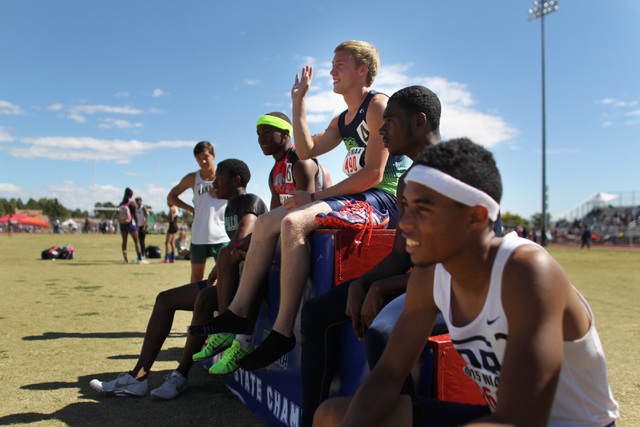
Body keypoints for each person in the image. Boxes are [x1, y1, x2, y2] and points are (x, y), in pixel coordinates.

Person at [314, 138, 619, 427]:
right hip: (502, 415)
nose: (405, 222)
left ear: (476, 216)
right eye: (405, 206)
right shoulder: (430, 275)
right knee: (331, 416)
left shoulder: (527, 271)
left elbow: (523, 421)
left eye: (424, 208)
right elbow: (389, 374)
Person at [188, 40, 411, 371]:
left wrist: (317, 197)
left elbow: (374, 173)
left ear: (362, 70)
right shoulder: (344, 117)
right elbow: (306, 150)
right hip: (359, 198)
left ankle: (282, 332)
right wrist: (299, 100)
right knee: (265, 224)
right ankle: (236, 313)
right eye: (332, 64)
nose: (331, 71)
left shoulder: (377, 105)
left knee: (294, 222)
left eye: (340, 64)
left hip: (384, 199)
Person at [299, 85, 442, 425]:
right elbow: (400, 256)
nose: (381, 130)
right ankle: (309, 419)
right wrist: (362, 284)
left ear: (419, 122)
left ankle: (403, 416)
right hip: (421, 284)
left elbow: (457, 271)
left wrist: (381, 289)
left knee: (383, 329)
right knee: (316, 312)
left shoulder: (458, 173)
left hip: (456, 294)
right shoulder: (408, 181)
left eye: (390, 121)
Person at [90, 159, 268, 399]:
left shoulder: (251, 202)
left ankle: (180, 375)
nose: (214, 183)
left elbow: (241, 242)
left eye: (219, 178)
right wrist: (218, 271)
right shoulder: (229, 207)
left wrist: (218, 270)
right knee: (165, 299)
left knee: (205, 297)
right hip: (228, 281)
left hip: (243, 286)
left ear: (237, 180)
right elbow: (231, 251)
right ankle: (138, 377)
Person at [167, 141, 228, 282]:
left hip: (221, 236)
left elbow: (241, 194)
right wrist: (190, 209)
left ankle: (222, 304)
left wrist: (222, 192)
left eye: (206, 156)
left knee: (224, 275)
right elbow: (171, 197)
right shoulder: (193, 178)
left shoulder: (225, 176)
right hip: (199, 235)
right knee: (196, 277)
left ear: (213, 155)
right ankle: (195, 304)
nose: (203, 161)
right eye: (199, 158)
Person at [118, 188, 146, 264]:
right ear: (130, 194)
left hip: (123, 225)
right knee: (137, 241)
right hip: (130, 224)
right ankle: (140, 258)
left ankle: (125, 259)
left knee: (124, 241)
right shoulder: (132, 203)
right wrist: (137, 225)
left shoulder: (121, 203)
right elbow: (135, 215)